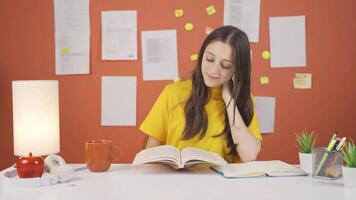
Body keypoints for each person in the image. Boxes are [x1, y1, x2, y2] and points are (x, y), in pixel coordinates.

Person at [139, 25, 262, 163]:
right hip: (175, 182)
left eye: (225, 66)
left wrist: (228, 98)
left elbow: (250, 155)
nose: (214, 70)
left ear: (237, 69)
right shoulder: (173, 93)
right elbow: (149, 156)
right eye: (209, 59)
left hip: (221, 183)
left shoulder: (243, 100)